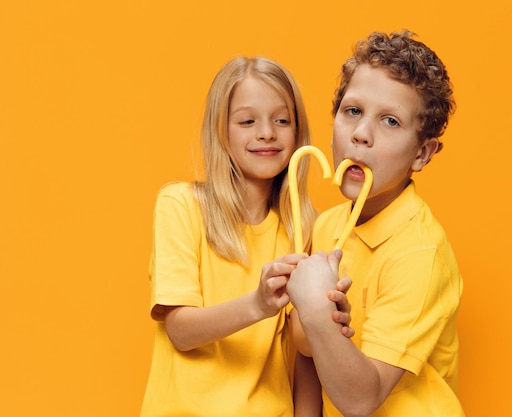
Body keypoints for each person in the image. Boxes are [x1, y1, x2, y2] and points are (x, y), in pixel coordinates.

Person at [140, 56, 353, 417]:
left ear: (298, 133)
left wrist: (325, 322)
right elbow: (180, 331)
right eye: (247, 121)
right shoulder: (181, 205)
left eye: (281, 120)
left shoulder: (306, 229)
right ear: (221, 131)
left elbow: (304, 354)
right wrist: (258, 304)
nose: (267, 132)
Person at [287, 30, 464, 416]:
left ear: (422, 152)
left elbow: (360, 400)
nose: (361, 135)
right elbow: (305, 346)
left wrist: (318, 311)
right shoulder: (328, 225)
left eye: (389, 121)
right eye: (352, 111)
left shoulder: (420, 253)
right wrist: (321, 316)